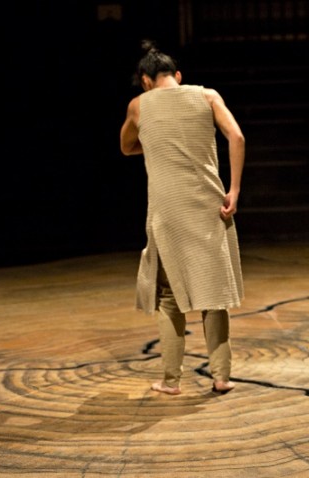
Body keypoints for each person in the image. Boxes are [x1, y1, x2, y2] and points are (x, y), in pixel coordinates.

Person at [119, 40, 245, 395]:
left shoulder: (139, 105)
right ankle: (221, 378)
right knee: (214, 296)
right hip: (210, 205)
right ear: (177, 76)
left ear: (145, 81)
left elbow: (126, 146)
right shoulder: (207, 97)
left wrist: (157, 142)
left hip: (169, 209)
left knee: (170, 298)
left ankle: (171, 381)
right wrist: (233, 190)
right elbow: (236, 135)